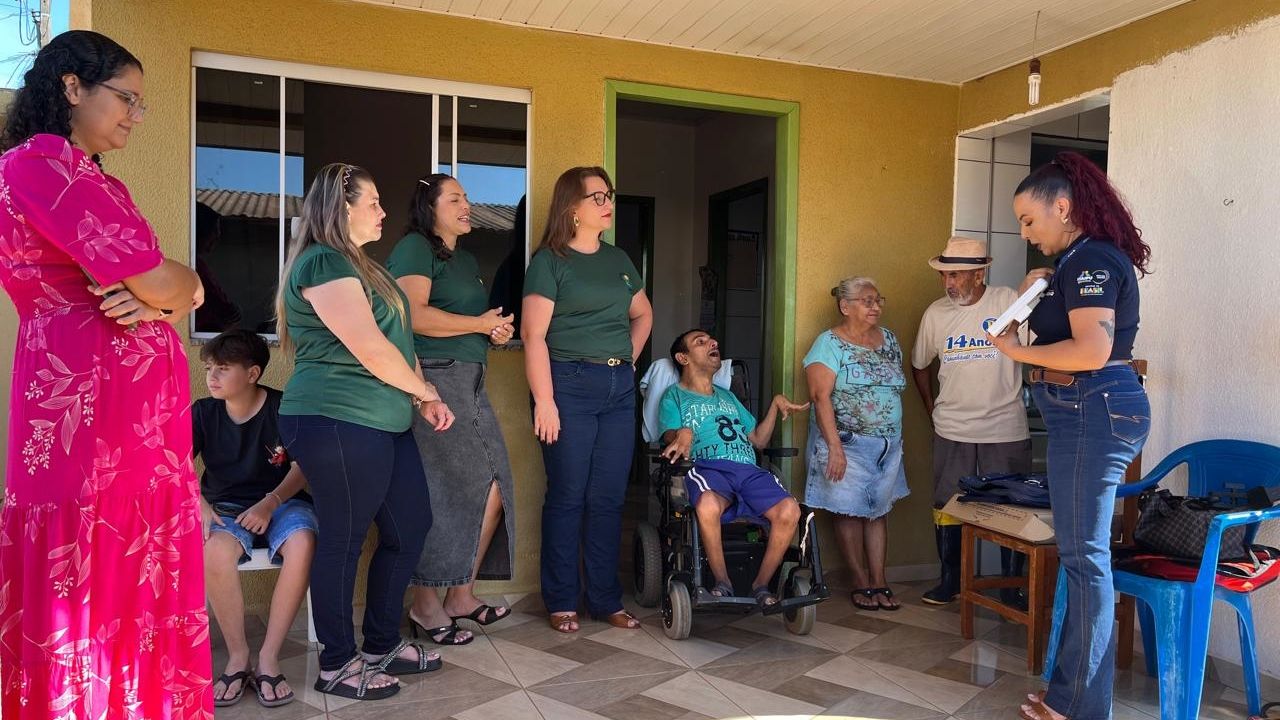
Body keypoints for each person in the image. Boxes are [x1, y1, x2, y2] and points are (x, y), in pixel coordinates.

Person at [0, 30, 211, 719]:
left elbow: (176, 290)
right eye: (126, 99)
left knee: (124, 573)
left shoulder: (92, 177)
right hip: (88, 419)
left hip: (127, 427)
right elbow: (158, 276)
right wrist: (174, 288)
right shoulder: (41, 165)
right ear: (70, 87)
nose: (134, 116)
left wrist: (179, 292)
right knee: (86, 581)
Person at [275, 163, 454, 702]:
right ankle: (336, 662)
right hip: (336, 418)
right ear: (341, 207)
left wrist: (424, 394)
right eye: (372, 202)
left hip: (385, 420)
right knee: (345, 539)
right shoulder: (323, 262)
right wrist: (424, 393)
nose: (383, 211)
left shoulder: (365, 268)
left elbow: (400, 347)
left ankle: (379, 644)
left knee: (411, 525)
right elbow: (370, 350)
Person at [986, 151, 1151, 720]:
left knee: (1085, 559)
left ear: (1064, 206)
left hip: (1094, 408)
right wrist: (1037, 290)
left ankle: (1081, 707)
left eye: (1030, 221)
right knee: (1082, 558)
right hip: (1085, 410)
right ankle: (1068, 694)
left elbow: (1092, 350)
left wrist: (1015, 351)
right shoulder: (1076, 262)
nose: (1027, 235)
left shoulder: (1092, 261)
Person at [522, 166, 653, 634]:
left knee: (608, 498)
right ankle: (561, 600)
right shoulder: (550, 261)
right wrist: (545, 401)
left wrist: (627, 358)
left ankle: (605, 599)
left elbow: (643, 314)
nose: (606, 203)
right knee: (568, 496)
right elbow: (533, 335)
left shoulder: (618, 258)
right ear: (571, 208)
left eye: (608, 194)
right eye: (596, 196)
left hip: (618, 391)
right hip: (568, 386)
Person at [387, 174, 516, 646]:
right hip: (436, 379)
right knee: (445, 493)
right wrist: (477, 323)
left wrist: (489, 331)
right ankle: (424, 604)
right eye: (455, 198)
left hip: (472, 378)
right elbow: (410, 314)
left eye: (468, 196)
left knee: (492, 489)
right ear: (429, 206)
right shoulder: (416, 248)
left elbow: (464, 321)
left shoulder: (463, 259)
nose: (468, 205)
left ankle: (461, 595)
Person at [193, 329, 317, 708]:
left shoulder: (282, 408)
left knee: (303, 542)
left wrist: (270, 502)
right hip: (226, 506)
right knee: (214, 550)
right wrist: (200, 506)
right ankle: (238, 656)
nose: (211, 377)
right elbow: (172, 464)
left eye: (223, 369)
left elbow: (305, 467)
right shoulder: (203, 411)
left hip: (282, 501)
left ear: (252, 374)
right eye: (210, 368)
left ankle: (268, 657)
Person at [911, 237, 1032, 606]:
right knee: (947, 504)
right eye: (945, 275)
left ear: (980, 273)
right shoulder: (936, 314)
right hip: (952, 428)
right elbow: (919, 365)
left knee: (1013, 507)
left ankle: (1013, 586)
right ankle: (951, 582)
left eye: (957, 275)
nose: (949, 283)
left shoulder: (1007, 301)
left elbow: (1032, 350)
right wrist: (933, 410)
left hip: (1005, 427)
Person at [658, 329, 808, 605]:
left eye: (712, 340)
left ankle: (762, 585)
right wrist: (682, 433)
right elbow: (667, 435)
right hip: (708, 467)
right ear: (683, 358)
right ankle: (723, 583)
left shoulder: (728, 397)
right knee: (706, 505)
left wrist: (775, 405)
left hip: (748, 470)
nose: (713, 342)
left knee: (790, 510)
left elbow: (759, 441)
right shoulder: (674, 396)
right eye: (700, 342)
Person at [804, 277, 909, 612]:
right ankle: (859, 580)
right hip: (847, 442)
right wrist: (834, 447)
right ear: (844, 306)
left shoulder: (889, 339)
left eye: (878, 300)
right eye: (866, 301)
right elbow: (820, 399)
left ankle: (880, 580)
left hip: (887, 444)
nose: (875, 306)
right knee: (849, 512)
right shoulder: (828, 344)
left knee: (878, 513)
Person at [193, 201, 244, 332]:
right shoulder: (194, 267)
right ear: (201, 231)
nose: (217, 236)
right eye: (214, 230)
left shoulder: (199, 265)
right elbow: (212, 303)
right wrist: (228, 313)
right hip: (206, 331)